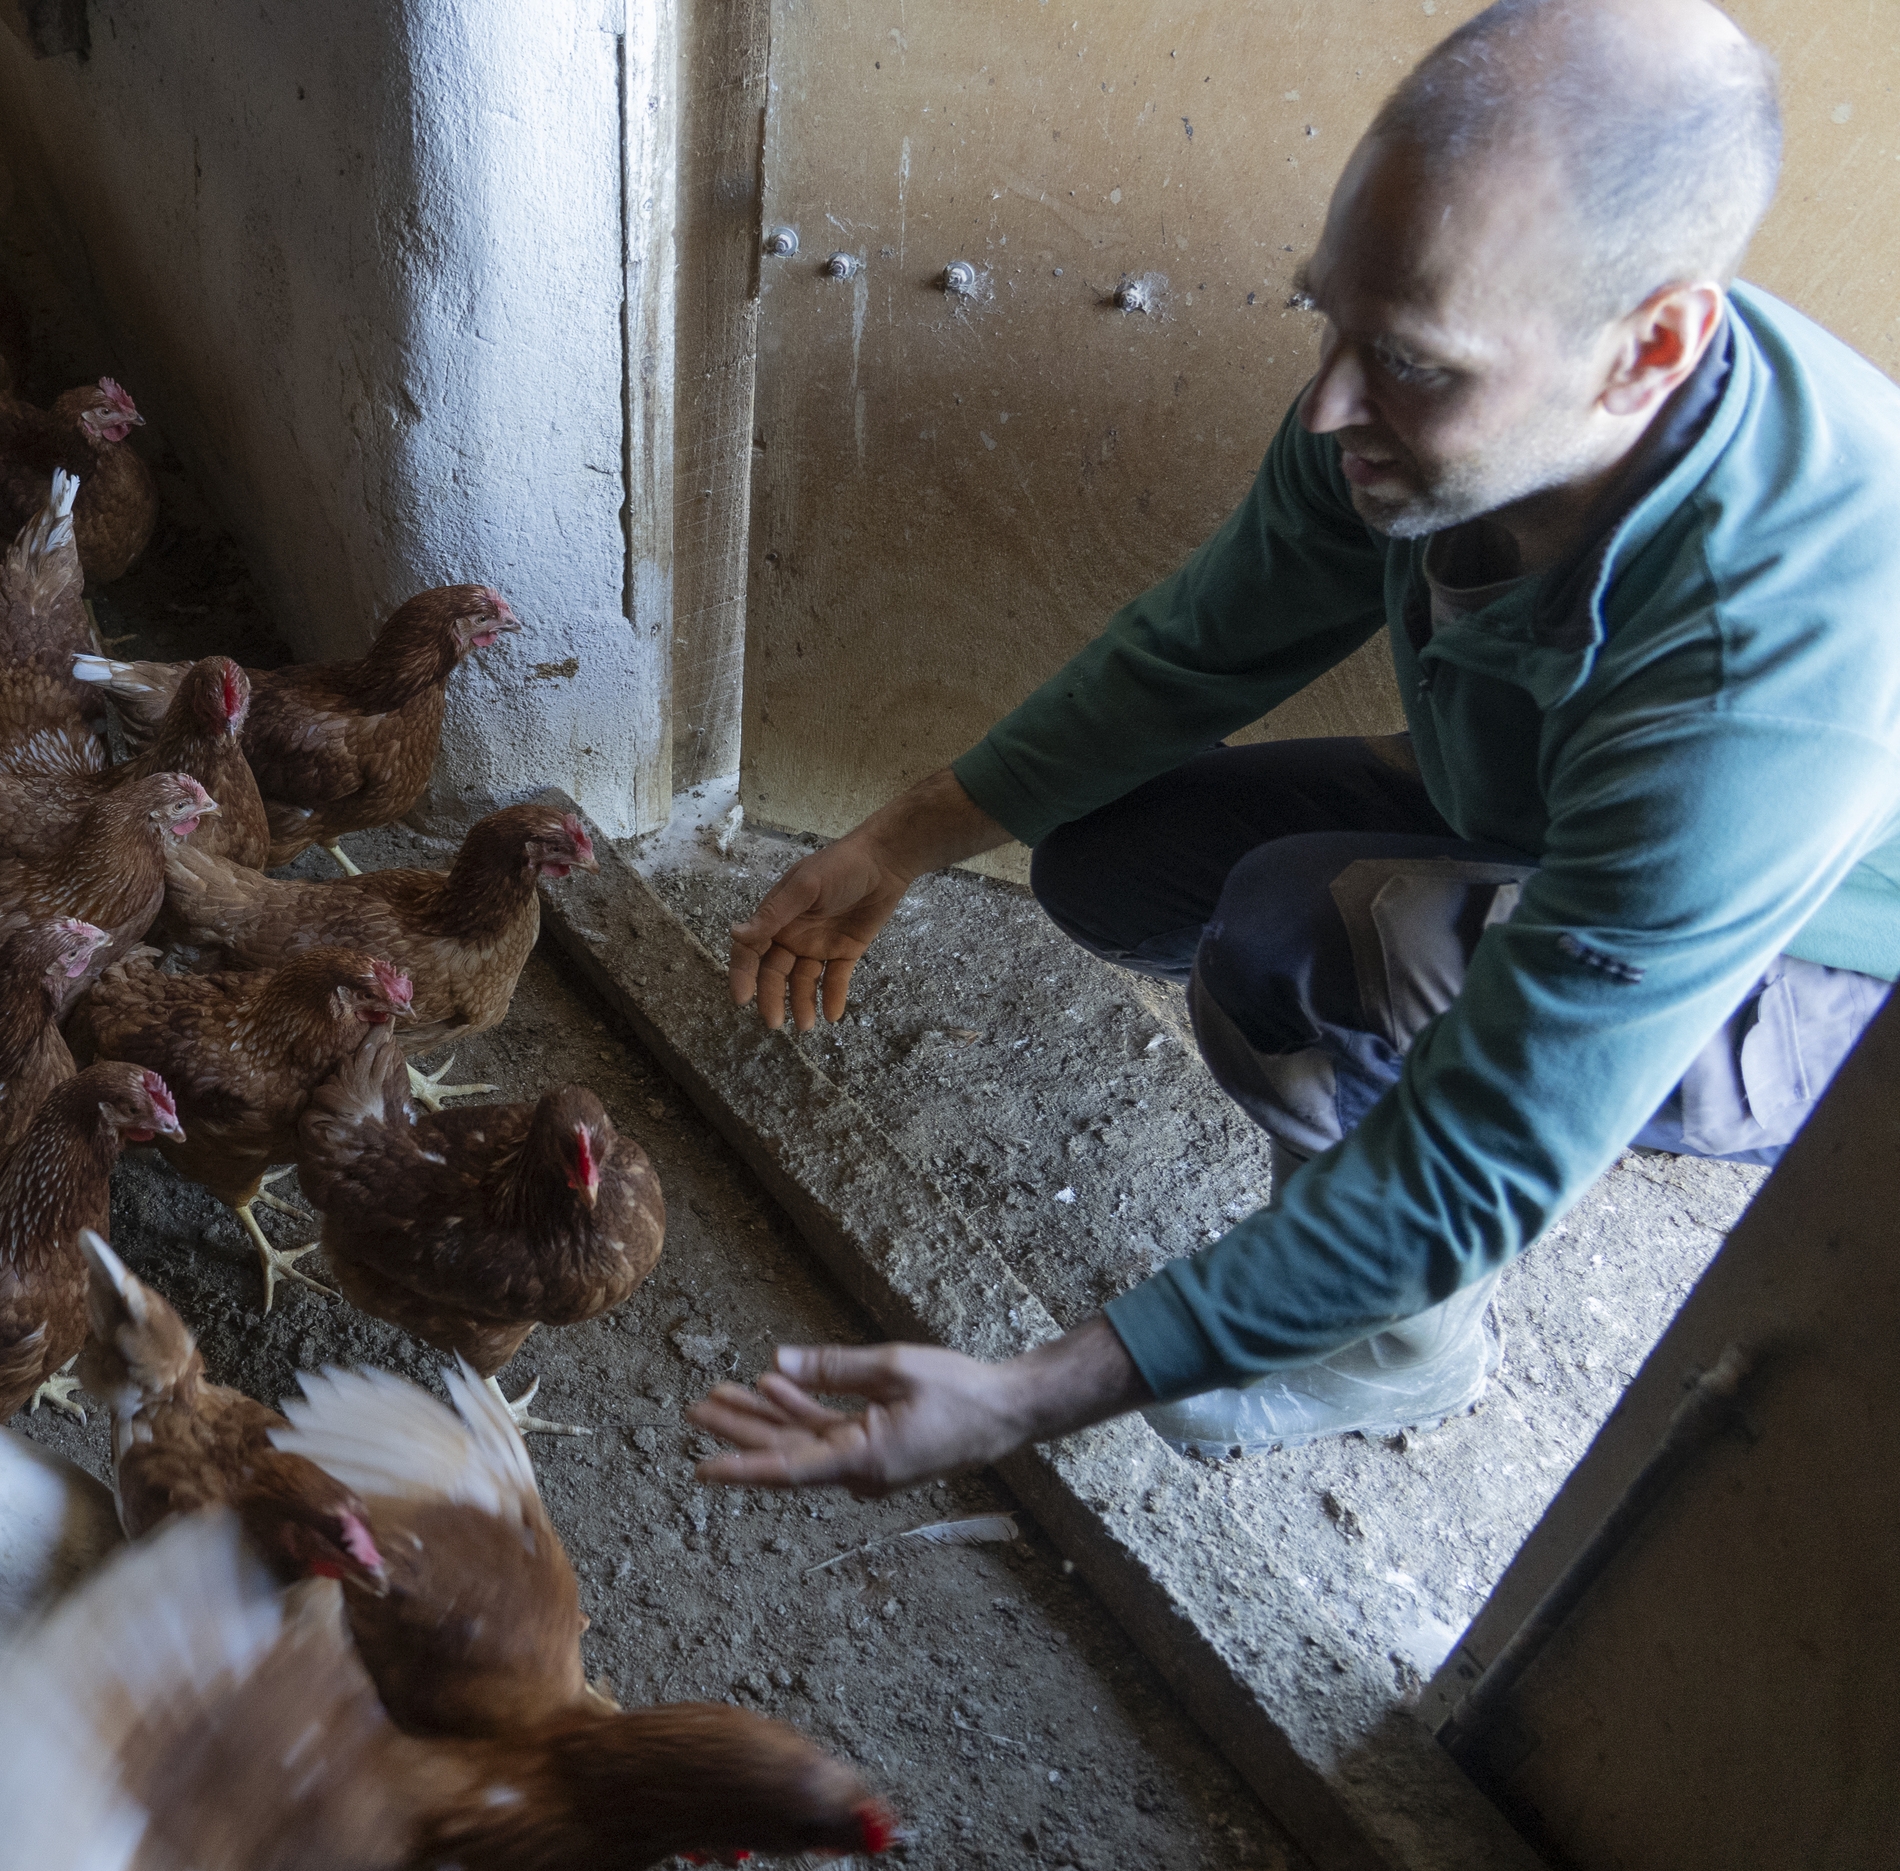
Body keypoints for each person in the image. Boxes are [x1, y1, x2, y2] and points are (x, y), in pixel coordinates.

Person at [690, 0, 1900, 1493]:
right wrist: (901, 837)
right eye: (1328, 315)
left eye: (1411, 362)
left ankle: (1404, 1346)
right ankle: (1381, 1028)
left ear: (1653, 345)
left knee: (1312, 940)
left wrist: (1030, 1393)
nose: (1331, 405)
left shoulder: (1762, 675)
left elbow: (1490, 1153)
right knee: (1113, 866)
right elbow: (1205, 643)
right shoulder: (1455, 393)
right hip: (1561, 801)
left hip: (1815, 964)